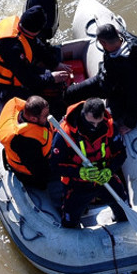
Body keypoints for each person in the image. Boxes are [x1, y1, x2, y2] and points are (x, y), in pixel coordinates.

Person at [50, 98, 128, 228]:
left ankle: (119, 218)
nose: (95, 127)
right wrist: (80, 172)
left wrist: (110, 170)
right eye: (91, 123)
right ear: (83, 116)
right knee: (69, 222)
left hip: (105, 178)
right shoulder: (64, 134)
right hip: (78, 184)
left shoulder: (109, 127)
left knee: (123, 209)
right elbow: (55, 165)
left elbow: (121, 153)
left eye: (99, 122)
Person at [0, 5, 72, 108]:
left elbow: (37, 44)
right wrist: (52, 78)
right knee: (39, 102)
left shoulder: (22, 26)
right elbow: (28, 80)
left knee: (47, 75)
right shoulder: (12, 48)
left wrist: (55, 64)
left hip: (14, 69)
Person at [65, 23, 137, 135]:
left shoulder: (130, 67)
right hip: (105, 79)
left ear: (103, 43)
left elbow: (135, 95)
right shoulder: (124, 40)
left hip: (117, 92)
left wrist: (130, 123)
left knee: (105, 126)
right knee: (70, 94)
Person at [0, 95, 53, 189]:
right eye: (45, 116)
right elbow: (39, 172)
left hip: (38, 156)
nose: (49, 117)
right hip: (29, 173)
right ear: (33, 119)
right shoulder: (24, 141)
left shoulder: (26, 114)